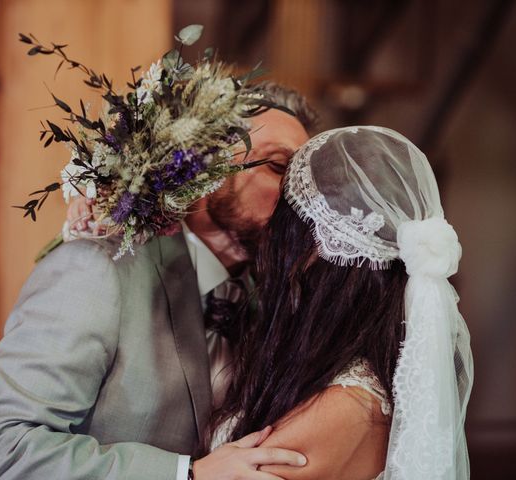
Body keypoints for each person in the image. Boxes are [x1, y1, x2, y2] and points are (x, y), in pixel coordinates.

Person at [0, 83, 318, 479]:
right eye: (277, 166)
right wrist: (187, 476)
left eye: (307, 179)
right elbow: (4, 451)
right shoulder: (98, 269)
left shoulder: (275, 302)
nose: (301, 196)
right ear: (204, 165)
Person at [198, 126, 474, 480]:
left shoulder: (345, 406)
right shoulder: (338, 378)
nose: (270, 236)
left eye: (283, 222)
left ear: (314, 248)